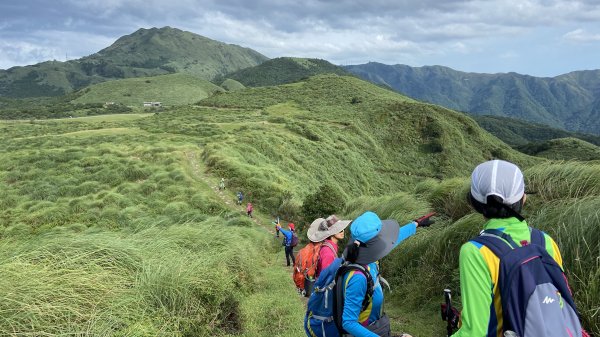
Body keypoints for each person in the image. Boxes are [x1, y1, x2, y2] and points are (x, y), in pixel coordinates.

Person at [451, 159, 586, 337]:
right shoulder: (545, 241)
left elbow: (476, 332)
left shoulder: (475, 251)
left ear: (475, 203)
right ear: (523, 198)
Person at [339, 211, 433, 337]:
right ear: (374, 244)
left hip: (374, 327)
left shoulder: (367, 260)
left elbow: (392, 241)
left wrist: (415, 224)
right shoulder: (357, 278)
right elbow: (348, 322)